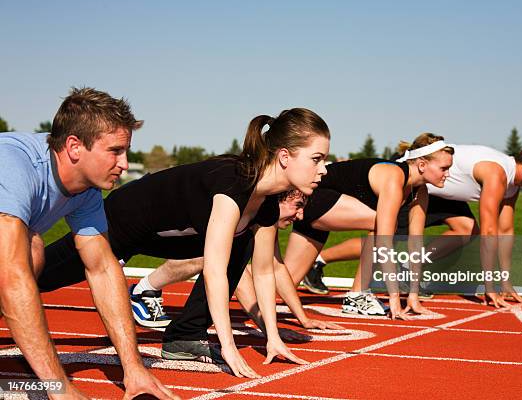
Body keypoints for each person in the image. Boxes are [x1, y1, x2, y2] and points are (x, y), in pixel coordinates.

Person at [41, 108, 331, 378]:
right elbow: (214, 271)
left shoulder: (266, 205)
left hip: (169, 238)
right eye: (316, 159)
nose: (324, 169)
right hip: (124, 221)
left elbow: (265, 272)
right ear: (284, 157)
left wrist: (273, 336)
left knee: (242, 247)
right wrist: (227, 346)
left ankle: (186, 335)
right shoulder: (234, 183)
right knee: (41, 274)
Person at [0, 87, 178, 399]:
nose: (124, 164)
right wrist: (60, 389)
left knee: (32, 249)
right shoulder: (13, 168)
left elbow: (102, 269)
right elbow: (12, 281)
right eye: (115, 151)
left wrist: (133, 367)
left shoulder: (87, 192)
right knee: (20, 258)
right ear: (74, 147)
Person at [306, 142, 522, 307]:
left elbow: (505, 231)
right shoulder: (497, 174)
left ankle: (406, 268)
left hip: (440, 192)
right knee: (387, 233)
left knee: (467, 228)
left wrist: (505, 280)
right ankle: (320, 261)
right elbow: (491, 230)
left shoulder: (512, 185)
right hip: (418, 180)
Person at [283, 133, 454, 318]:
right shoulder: (394, 177)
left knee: (284, 281)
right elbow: (384, 241)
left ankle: (246, 279)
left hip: (322, 206)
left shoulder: (420, 193)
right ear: (422, 165)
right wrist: (394, 297)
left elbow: (415, 244)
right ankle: (357, 295)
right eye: (444, 168)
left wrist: (413, 296)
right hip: (313, 197)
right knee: (382, 223)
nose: (448, 174)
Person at [127, 190, 341, 335]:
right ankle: (145, 290)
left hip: (178, 224)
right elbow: (238, 277)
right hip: (149, 216)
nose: (301, 216)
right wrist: (269, 329)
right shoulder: (250, 209)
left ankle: (145, 289)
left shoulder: (266, 215)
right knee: (209, 258)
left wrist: (303, 318)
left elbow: (275, 266)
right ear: (280, 199)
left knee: (207, 256)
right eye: (298, 205)